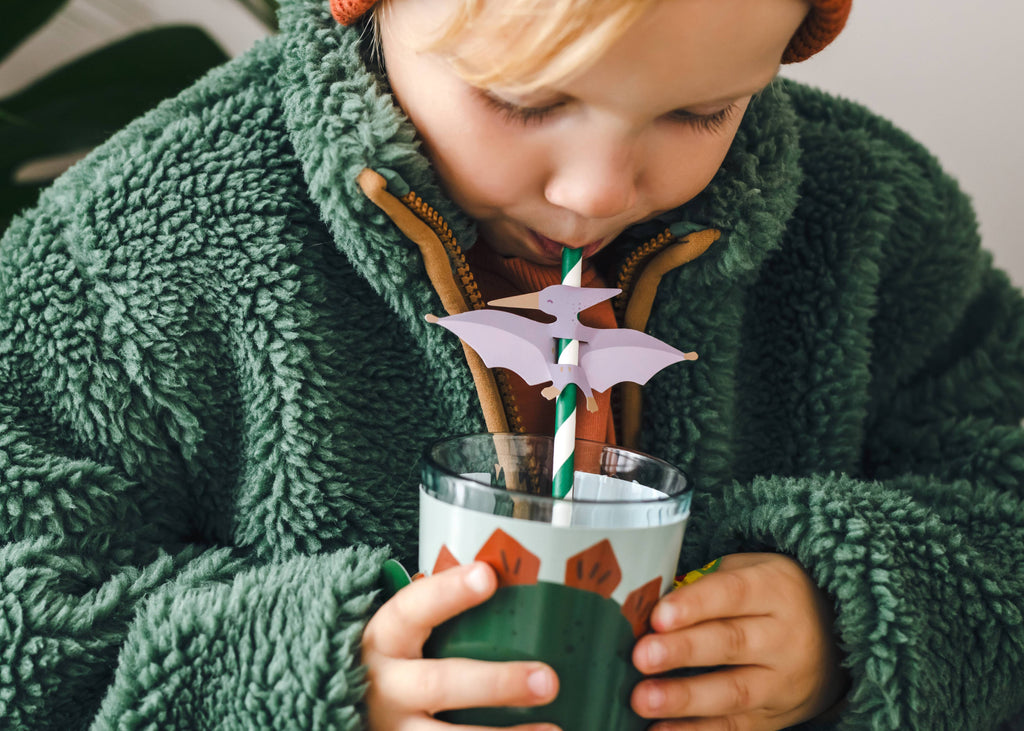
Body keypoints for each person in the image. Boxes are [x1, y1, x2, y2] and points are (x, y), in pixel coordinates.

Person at [0, 0, 1021, 728]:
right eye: (526, 101)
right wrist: (305, 672)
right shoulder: (137, 247)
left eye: (698, 112)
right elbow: (26, 615)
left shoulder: (871, 219)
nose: (595, 190)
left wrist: (855, 616)